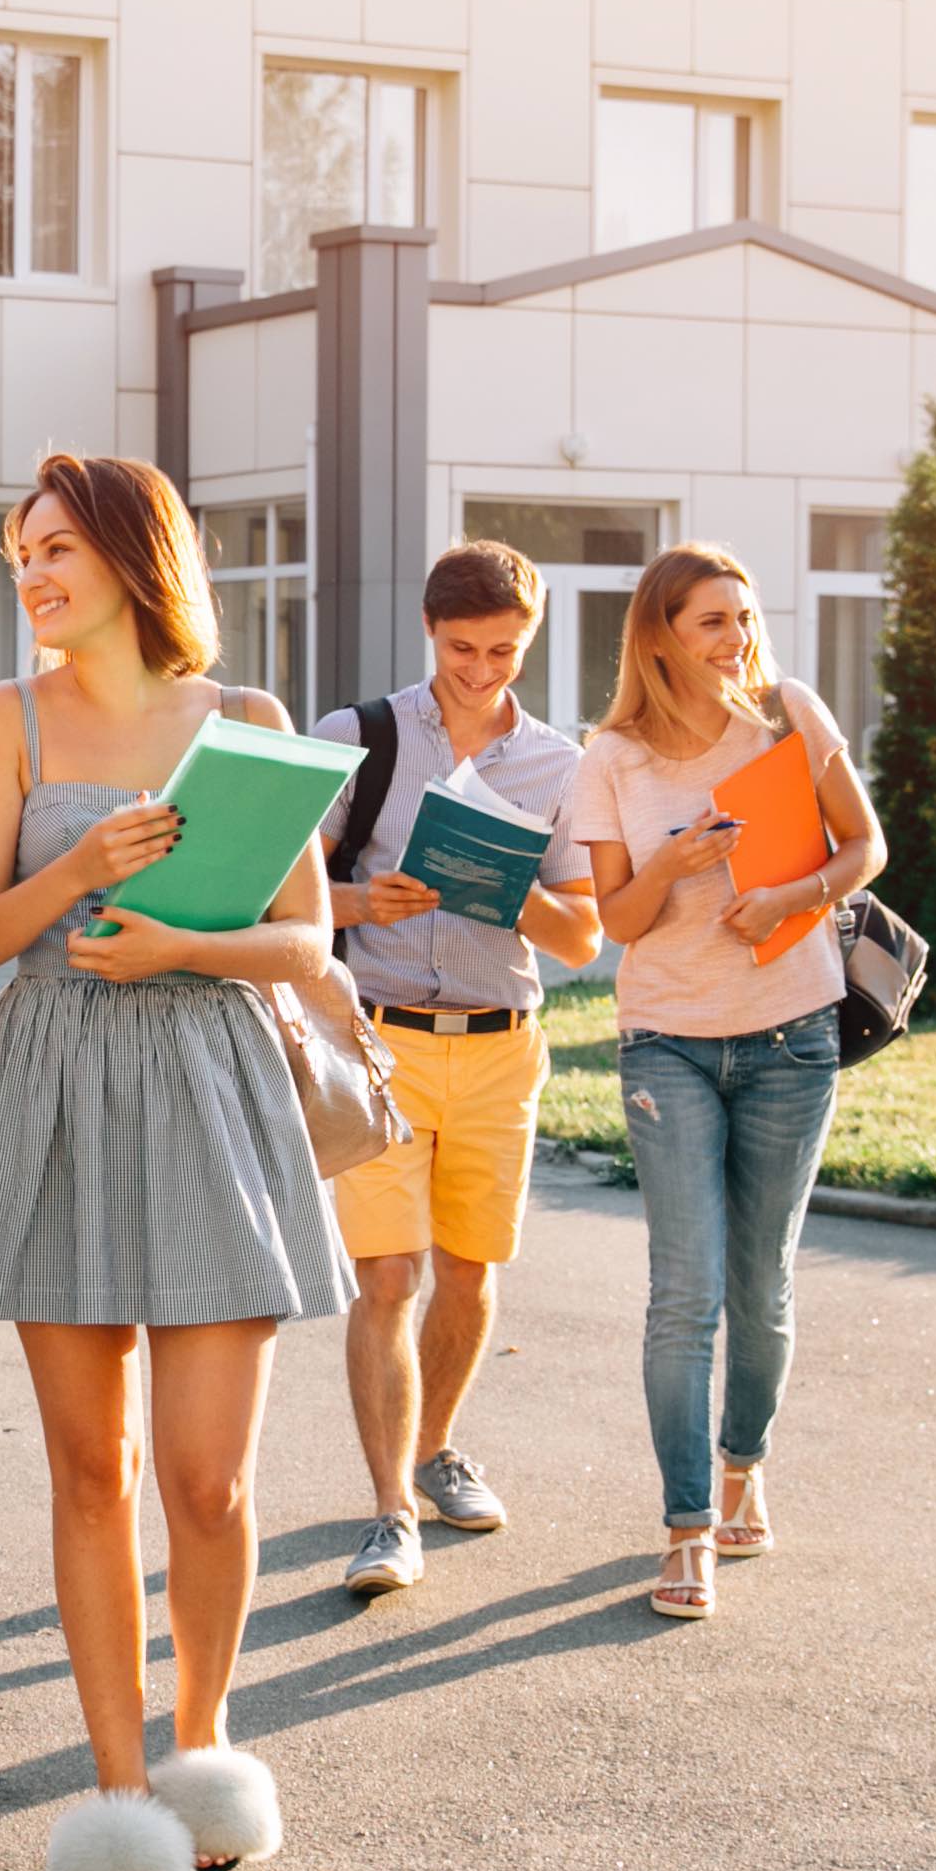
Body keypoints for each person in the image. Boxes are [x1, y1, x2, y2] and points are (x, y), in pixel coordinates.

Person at [0, 452, 347, 1871]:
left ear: (129, 553)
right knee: (92, 1469)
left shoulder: (251, 722)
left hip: (214, 1085)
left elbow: (308, 945)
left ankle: (205, 1751)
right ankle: (109, 1785)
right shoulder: (2, 719)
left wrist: (184, 948)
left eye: (51, 550)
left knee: (209, 1480)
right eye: (16, 554)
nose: (29, 576)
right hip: (61, 1086)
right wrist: (81, 862)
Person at [568, 544, 888, 1624]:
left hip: (793, 1033)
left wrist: (788, 893)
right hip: (666, 1041)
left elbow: (865, 847)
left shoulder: (788, 715)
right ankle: (686, 1525)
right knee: (682, 1291)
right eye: (711, 621)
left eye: (743, 617)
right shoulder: (609, 754)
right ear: (658, 633)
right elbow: (611, 920)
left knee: (761, 1281)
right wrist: (680, 861)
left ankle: (745, 1459)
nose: (736, 638)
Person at [310, 541, 605, 1597]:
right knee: (388, 1274)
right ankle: (390, 1511)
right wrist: (362, 901)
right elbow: (272, 887)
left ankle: (435, 1445)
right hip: (377, 1041)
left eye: (503, 650)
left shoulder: (562, 766)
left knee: (470, 1270)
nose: (481, 669)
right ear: (427, 631)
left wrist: (504, 887)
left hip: (500, 1043)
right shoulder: (356, 737)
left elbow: (579, 938)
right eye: (461, 647)